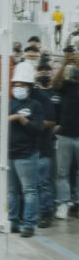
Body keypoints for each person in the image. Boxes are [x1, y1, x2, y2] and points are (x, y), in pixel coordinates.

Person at [0, 63, 44, 237]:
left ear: (29, 87)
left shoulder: (35, 105)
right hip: (9, 154)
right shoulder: (8, 104)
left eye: (22, 85)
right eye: (16, 84)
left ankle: (29, 224)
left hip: (27, 154)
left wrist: (21, 119)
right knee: (12, 191)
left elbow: (38, 128)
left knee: (29, 190)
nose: (18, 87)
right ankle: (13, 221)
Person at [54, 50, 79, 219]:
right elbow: (55, 84)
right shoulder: (67, 85)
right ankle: (63, 203)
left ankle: (77, 203)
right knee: (62, 172)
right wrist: (65, 63)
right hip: (65, 135)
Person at [32, 62, 58, 227]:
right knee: (31, 183)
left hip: (45, 145)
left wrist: (32, 124)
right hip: (27, 147)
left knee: (44, 182)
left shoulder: (48, 97)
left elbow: (51, 121)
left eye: (47, 71)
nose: (44, 73)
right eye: (40, 70)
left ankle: (46, 212)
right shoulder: (30, 95)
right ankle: (32, 212)